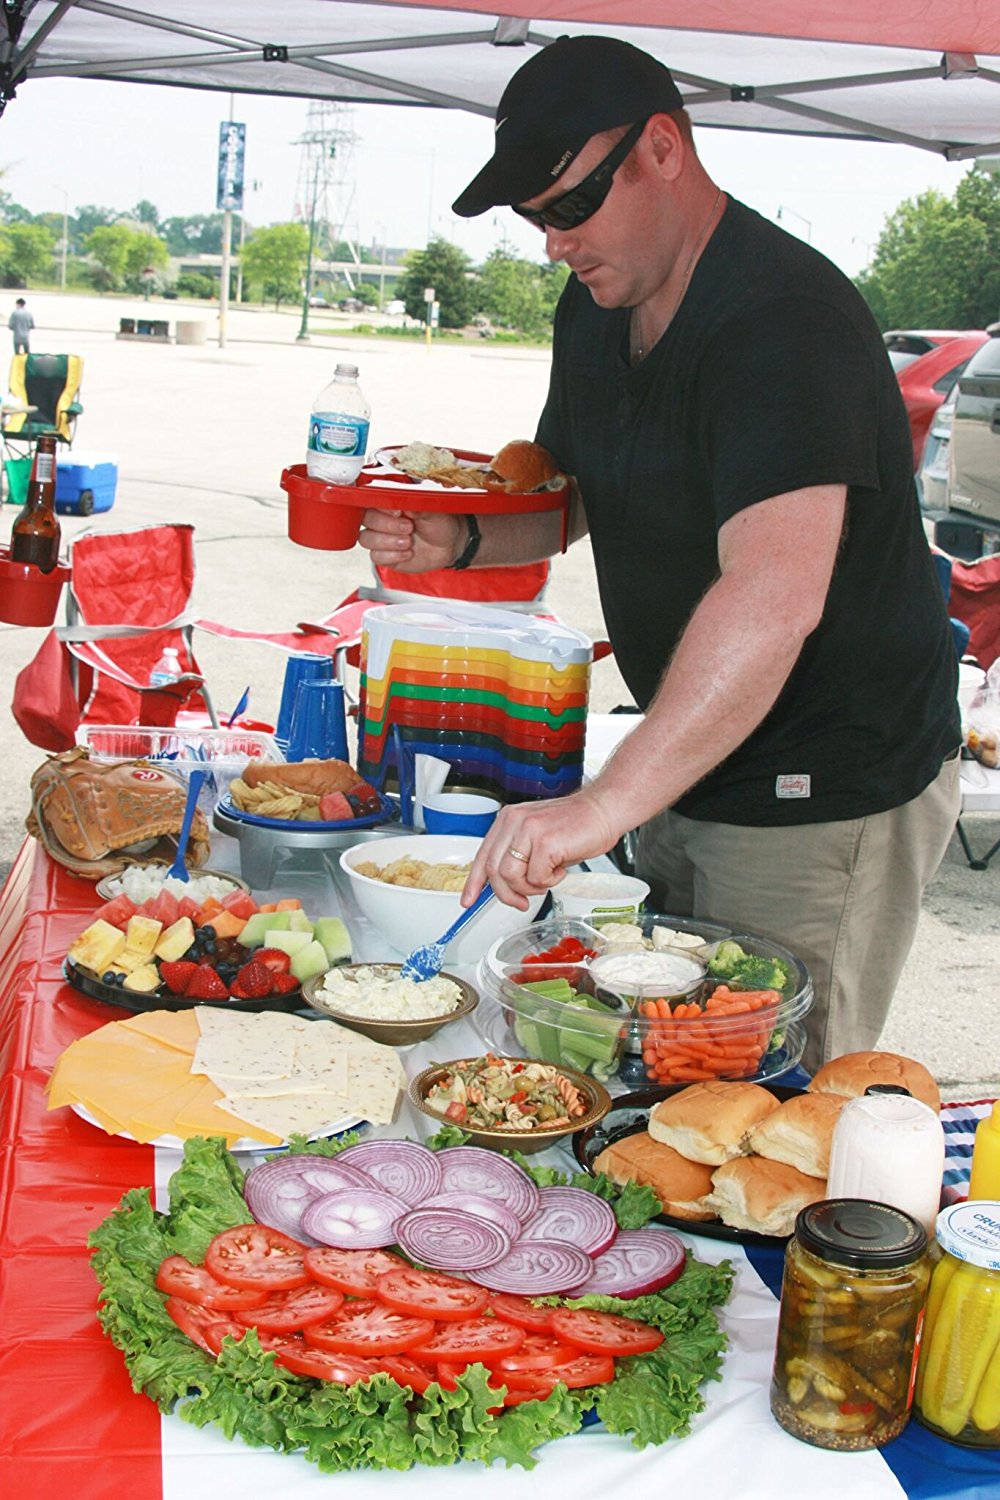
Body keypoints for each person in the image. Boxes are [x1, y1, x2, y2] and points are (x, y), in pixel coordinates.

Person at [357, 35, 961, 1073]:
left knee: (759, 1099)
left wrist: (602, 803)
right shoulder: (597, 307)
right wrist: (455, 535)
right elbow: (571, 500)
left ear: (662, 151)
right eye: (533, 218)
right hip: (688, 758)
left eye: (569, 207)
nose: (552, 243)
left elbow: (773, 597)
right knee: (650, 1070)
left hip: (822, 786)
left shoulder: (782, 322)